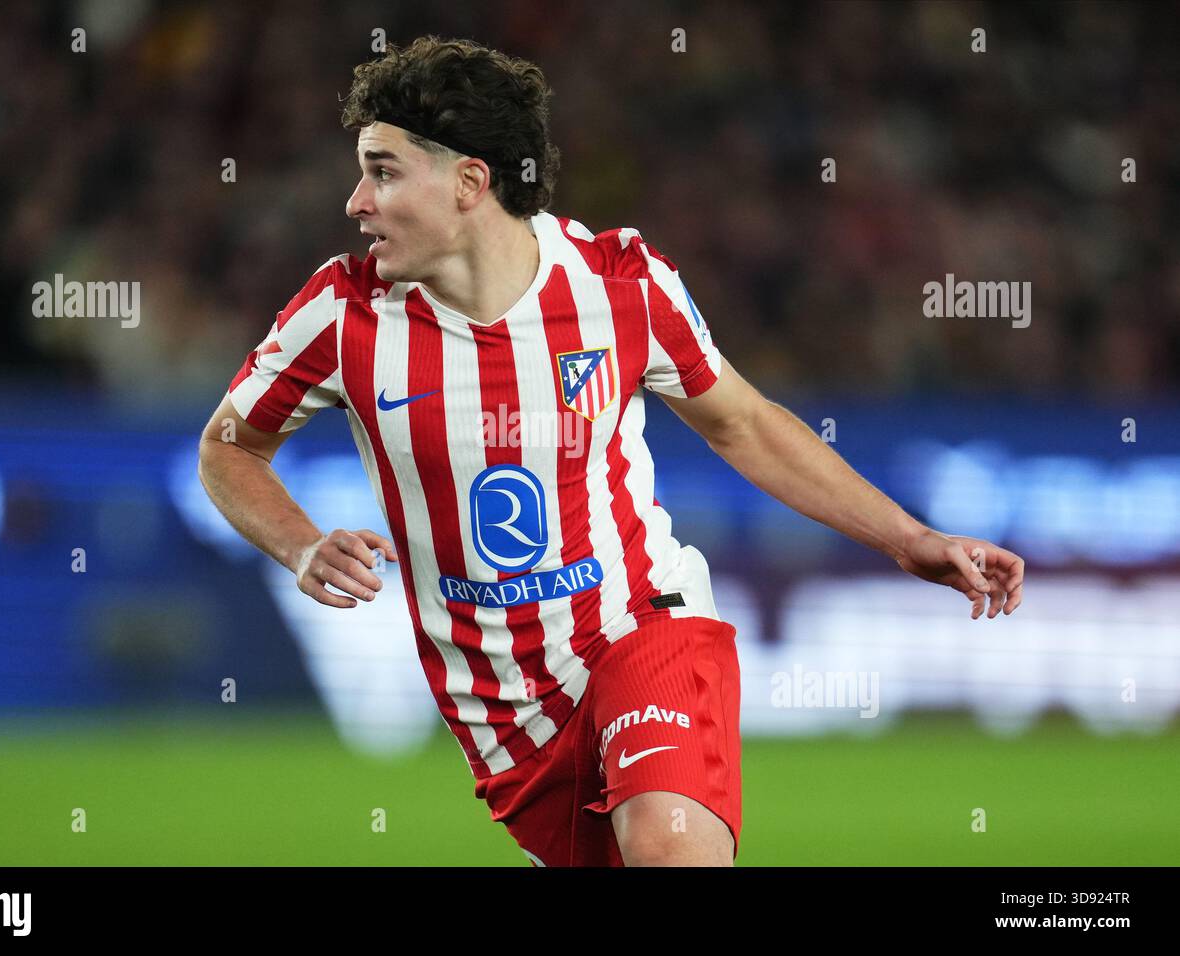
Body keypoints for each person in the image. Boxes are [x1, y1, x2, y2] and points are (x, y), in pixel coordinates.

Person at [197, 35, 1025, 867]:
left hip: (641, 625)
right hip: (505, 710)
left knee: (668, 849)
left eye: (382, 170)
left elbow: (744, 421)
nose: (356, 201)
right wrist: (300, 543)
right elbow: (228, 449)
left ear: (469, 182)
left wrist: (910, 538)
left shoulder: (620, 285)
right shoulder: (342, 315)